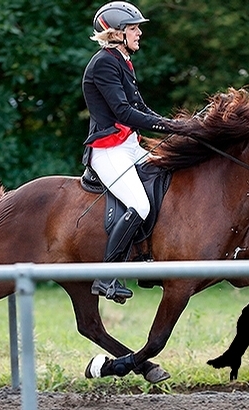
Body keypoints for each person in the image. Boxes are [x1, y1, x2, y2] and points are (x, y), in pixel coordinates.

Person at [82, 1, 179, 303]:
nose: (139, 33)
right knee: (140, 204)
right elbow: (123, 112)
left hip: (128, 146)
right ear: (116, 33)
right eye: (134, 28)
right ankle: (106, 277)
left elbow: (140, 107)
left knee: (166, 181)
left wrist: (174, 124)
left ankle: (149, 259)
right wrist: (166, 127)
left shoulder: (122, 60)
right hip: (109, 149)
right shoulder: (103, 63)